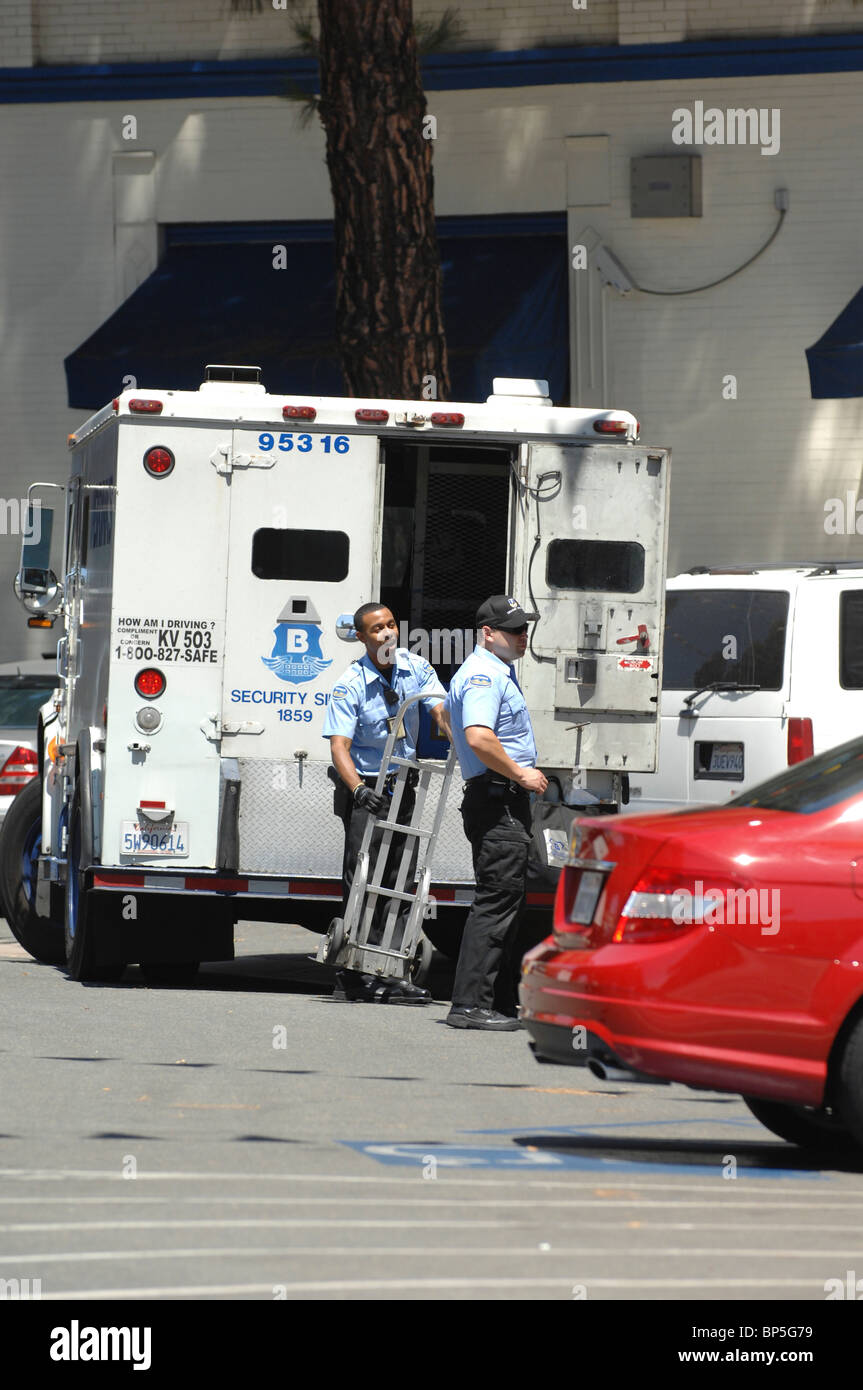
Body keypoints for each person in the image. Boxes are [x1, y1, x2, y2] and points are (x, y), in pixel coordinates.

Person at [323, 602, 450, 1004]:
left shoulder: (417, 668)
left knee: (400, 877)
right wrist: (359, 790)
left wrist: (458, 731)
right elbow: (339, 747)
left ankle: (391, 967)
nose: (387, 634)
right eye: (377, 629)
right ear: (361, 638)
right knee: (363, 876)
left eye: (392, 625)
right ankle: (354, 971)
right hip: (367, 789)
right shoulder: (351, 684)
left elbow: (441, 711)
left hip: (403, 783)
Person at [444, 595, 548, 1030]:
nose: (524, 637)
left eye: (526, 629)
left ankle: (498, 1000)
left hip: (497, 797)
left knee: (507, 902)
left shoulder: (492, 671)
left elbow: (452, 724)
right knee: (496, 901)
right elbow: (479, 737)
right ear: (488, 634)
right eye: (515, 630)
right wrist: (520, 774)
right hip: (498, 797)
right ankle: (470, 1004)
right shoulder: (485, 675)